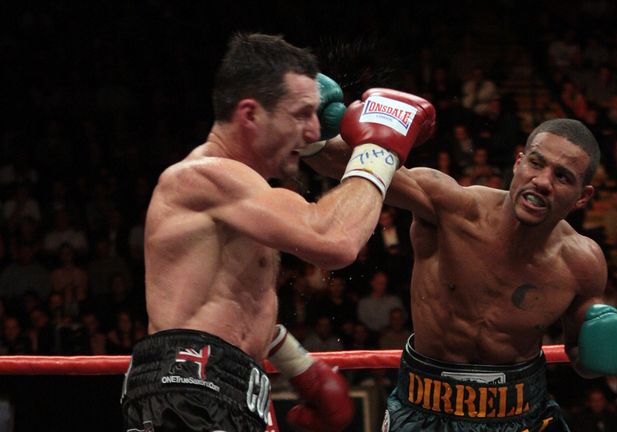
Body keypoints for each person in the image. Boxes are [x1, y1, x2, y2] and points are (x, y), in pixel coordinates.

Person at [120, 33, 435, 432]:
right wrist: (380, 150)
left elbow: (233, 302)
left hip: (223, 387)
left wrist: (301, 368)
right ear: (250, 114)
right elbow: (335, 240)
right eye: (301, 115)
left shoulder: (247, 198)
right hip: (189, 390)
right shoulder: (201, 177)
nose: (314, 131)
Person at [305, 117, 617, 431]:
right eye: (536, 163)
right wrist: (308, 131)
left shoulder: (582, 263)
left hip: (521, 413)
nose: (542, 181)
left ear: (583, 196)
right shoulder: (452, 208)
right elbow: (343, 164)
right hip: (426, 408)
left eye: (562, 177)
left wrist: (602, 353)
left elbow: (583, 358)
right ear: (518, 162)